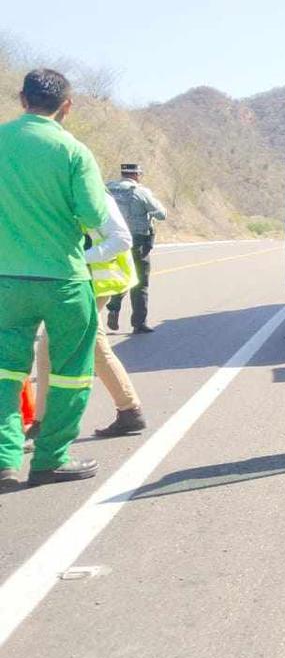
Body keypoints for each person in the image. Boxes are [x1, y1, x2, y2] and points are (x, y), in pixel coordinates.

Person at [0, 69, 109, 491]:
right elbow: (95, 217)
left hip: (6, 281)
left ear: (22, 99)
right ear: (66, 107)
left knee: (5, 373)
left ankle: (6, 459)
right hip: (63, 279)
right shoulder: (73, 150)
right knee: (69, 373)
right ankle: (51, 459)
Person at [28, 196, 145, 444]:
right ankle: (129, 410)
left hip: (96, 282)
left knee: (49, 348)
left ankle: (43, 422)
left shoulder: (95, 197)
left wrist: (80, 258)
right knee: (96, 346)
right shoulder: (58, 195)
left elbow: (122, 239)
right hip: (77, 282)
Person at [106, 163, 166, 333]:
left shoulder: (107, 189)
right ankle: (138, 323)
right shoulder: (140, 192)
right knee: (140, 282)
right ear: (136, 175)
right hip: (137, 242)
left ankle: (114, 307)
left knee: (119, 277)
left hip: (111, 241)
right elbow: (161, 214)